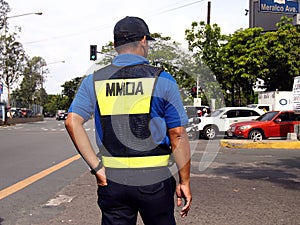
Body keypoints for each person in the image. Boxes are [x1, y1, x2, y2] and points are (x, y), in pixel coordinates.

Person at [65, 16, 192, 225]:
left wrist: (97, 169)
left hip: (112, 180)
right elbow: (177, 133)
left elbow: (72, 122)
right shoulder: (162, 79)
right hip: (155, 181)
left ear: (115, 45)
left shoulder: (94, 81)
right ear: (143, 41)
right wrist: (184, 181)